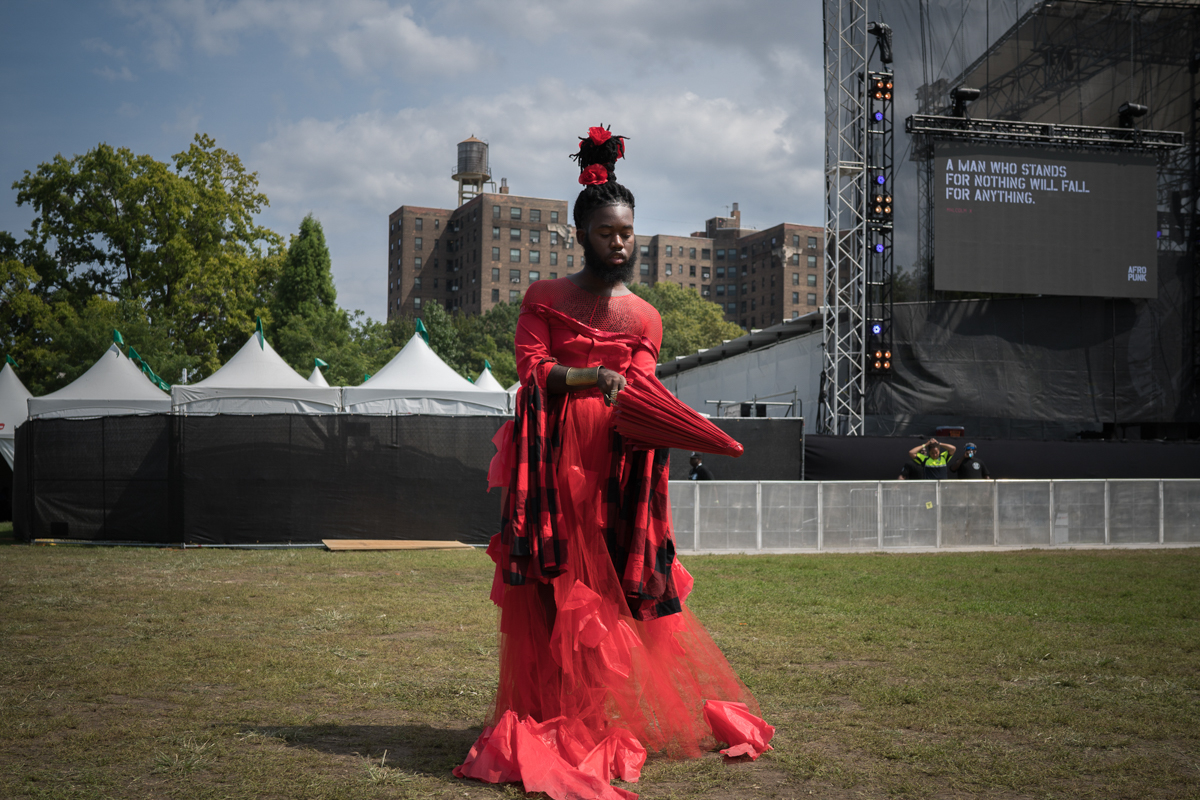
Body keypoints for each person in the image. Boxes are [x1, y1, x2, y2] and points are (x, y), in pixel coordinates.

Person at [456, 127, 770, 796]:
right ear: (583, 236)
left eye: (628, 232)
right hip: (548, 467)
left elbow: (646, 386)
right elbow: (532, 373)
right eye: (608, 233)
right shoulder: (543, 297)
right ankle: (552, 716)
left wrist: (655, 412)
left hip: (617, 470)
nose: (621, 243)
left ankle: (595, 717)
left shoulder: (647, 317)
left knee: (609, 596)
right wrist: (591, 381)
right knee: (552, 589)